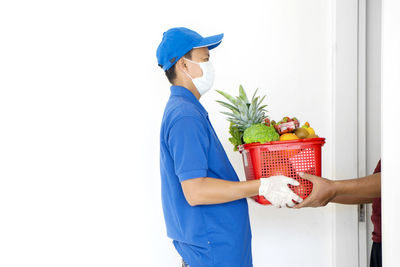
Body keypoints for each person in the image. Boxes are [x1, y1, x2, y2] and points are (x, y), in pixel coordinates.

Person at [157, 27, 303, 267]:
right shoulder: (185, 116)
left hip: (216, 249)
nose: (209, 66)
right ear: (183, 65)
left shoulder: (188, 110)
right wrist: (262, 186)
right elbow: (196, 192)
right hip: (213, 253)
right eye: (205, 59)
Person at [294, 160, 382, 267]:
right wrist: (316, 192)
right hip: (380, 241)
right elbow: (377, 192)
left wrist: (333, 188)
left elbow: (394, 180)